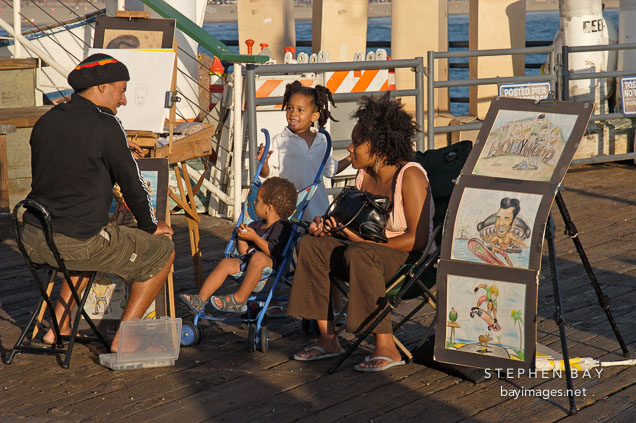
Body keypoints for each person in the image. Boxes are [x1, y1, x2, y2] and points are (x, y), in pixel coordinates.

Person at [20, 53, 175, 352]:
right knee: (161, 253)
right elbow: (132, 183)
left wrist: (114, 145)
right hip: (76, 241)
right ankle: (124, 339)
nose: (125, 99)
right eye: (122, 89)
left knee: (85, 240)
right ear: (102, 88)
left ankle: (58, 328)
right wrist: (150, 225)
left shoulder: (48, 119)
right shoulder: (106, 124)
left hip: (34, 236)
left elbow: (69, 159)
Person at [287, 92, 435, 371]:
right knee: (310, 245)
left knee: (359, 253)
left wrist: (360, 240)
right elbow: (357, 227)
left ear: (378, 148)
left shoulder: (410, 176)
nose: (350, 150)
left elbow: (419, 239)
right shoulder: (364, 176)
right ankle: (328, 338)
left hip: (408, 259)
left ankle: (386, 347)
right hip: (365, 250)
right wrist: (330, 227)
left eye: (356, 144)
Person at [179, 177, 297, 314]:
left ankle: (240, 299)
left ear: (268, 208)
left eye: (258, 201)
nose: (254, 202)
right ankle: (200, 299)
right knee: (226, 263)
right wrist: (242, 238)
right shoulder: (256, 225)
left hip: (272, 270)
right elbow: (245, 253)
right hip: (249, 265)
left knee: (259, 257)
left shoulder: (282, 227)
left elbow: (273, 251)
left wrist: (255, 238)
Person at [257, 80, 351, 221]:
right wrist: (263, 162)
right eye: (290, 108)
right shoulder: (280, 140)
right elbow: (266, 173)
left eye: (300, 110)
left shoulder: (322, 141)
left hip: (317, 211)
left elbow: (331, 170)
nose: (293, 113)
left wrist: (351, 158)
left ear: (314, 116)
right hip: (288, 211)